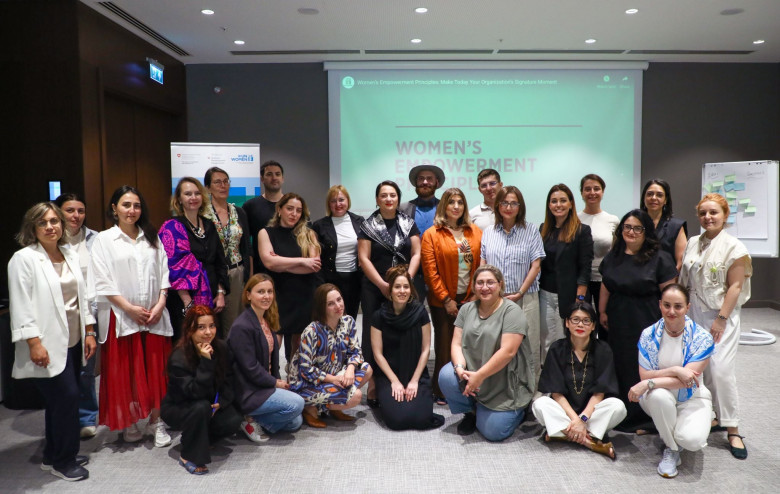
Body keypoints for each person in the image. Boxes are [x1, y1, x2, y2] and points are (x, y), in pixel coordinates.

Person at [8, 203, 97, 481]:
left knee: (61, 401)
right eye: (43, 222)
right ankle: (64, 461)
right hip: (45, 343)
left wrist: (90, 331)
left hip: (73, 339)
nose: (50, 227)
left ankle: (52, 454)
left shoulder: (68, 253)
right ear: (32, 227)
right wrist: (34, 342)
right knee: (67, 398)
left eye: (54, 221)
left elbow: (83, 297)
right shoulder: (23, 259)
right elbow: (21, 304)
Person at [90, 185, 174, 447]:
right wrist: (128, 308)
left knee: (157, 370)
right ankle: (130, 421)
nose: (132, 210)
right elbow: (102, 280)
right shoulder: (104, 240)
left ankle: (156, 422)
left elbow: (164, 272)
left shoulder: (152, 237)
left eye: (136, 205)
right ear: (114, 208)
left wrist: (161, 302)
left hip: (154, 314)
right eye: (126, 205)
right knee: (126, 371)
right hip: (121, 316)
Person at [680, 193, 751, 459]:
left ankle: (733, 428)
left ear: (725, 215)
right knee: (703, 369)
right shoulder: (693, 242)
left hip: (720, 315)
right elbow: (685, 277)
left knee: (721, 370)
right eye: (703, 213)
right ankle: (715, 416)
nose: (708, 217)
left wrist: (721, 319)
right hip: (694, 313)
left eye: (713, 213)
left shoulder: (734, 247)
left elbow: (736, 286)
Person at [599, 209, 677, 432]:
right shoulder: (613, 255)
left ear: (646, 232)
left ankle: (645, 418)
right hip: (617, 319)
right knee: (620, 363)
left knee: (643, 365)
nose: (631, 232)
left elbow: (670, 293)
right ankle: (622, 413)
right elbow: (606, 285)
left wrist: (670, 320)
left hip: (646, 319)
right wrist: (602, 311)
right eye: (627, 227)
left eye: (637, 228)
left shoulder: (660, 258)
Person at [438, 265, 534, 442]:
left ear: (500, 284)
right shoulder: (466, 309)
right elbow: (456, 344)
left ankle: (520, 411)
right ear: (474, 286)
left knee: (493, 432)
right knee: (447, 376)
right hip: (473, 374)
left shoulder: (512, 312)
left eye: (490, 282)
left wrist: (480, 376)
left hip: (503, 381)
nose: (485, 287)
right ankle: (471, 412)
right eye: (480, 283)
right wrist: (459, 369)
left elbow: (508, 352)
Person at [629, 284, 715, 478]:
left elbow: (688, 381)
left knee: (691, 441)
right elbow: (645, 375)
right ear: (660, 305)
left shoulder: (702, 338)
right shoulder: (648, 335)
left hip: (692, 397)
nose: (671, 311)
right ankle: (672, 449)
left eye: (678, 306)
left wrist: (650, 383)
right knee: (658, 396)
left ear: (687, 307)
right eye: (667, 305)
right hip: (659, 397)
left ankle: (682, 426)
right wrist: (676, 370)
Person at [533, 302, 625, 460]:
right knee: (540, 404)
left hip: (590, 415)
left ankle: (562, 434)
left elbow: (599, 393)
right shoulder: (557, 348)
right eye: (575, 319)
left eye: (586, 320)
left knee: (618, 406)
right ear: (567, 323)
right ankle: (590, 442)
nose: (580, 325)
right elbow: (556, 393)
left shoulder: (603, 349)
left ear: (593, 325)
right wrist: (575, 420)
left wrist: (582, 419)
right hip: (565, 413)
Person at [358, 180, 421, 404]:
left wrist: (406, 282)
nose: (388, 199)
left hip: (402, 288)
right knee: (372, 333)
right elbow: (364, 258)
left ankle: (400, 376)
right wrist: (383, 285)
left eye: (392, 195)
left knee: (401, 330)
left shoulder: (408, 223)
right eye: (383, 195)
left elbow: (416, 253)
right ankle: (373, 382)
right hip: (375, 288)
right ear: (377, 199)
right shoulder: (368, 225)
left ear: (398, 198)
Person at [160, 305, 243, 475]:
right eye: (201, 327)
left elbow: (229, 380)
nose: (208, 332)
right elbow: (195, 393)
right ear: (190, 329)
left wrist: (221, 402)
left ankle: (200, 439)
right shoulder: (179, 357)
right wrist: (206, 362)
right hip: (180, 407)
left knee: (233, 419)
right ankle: (188, 456)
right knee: (201, 407)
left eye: (212, 326)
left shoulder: (221, 347)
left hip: (209, 404)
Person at [421, 187, 482, 405]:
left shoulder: (474, 231)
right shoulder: (432, 234)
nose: (456, 206)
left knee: (471, 346)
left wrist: (475, 294)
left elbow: (481, 264)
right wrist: (446, 299)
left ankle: (470, 387)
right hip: (443, 301)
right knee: (445, 346)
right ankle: (441, 390)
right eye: (451, 202)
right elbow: (430, 271)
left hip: (471, 298)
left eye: (460, 202)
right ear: (443, 206)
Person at [227, 274, 304, 439]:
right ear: (248, 295)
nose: (266, 296)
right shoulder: (242, 326)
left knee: (295, 422)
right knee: (297, 404)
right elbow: (250, 368)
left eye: (270, 291)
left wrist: (276, 382)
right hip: (249, 390)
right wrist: (276, 383)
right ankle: (246, 419)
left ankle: (253, 419)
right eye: (260, 292)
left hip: (265, 385)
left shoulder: (266, 319)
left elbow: (271, 361)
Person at [481, 186, 545, 381]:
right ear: (498, 206)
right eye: (504, 203)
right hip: (495, 300)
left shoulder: (531, 230)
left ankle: (531, 389)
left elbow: (536, 265)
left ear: (520, 206)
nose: (508, 207)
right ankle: (497, 387)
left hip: (525, 298)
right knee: (495, 345)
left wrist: (520, 292)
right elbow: (483, 264)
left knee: (529, 345)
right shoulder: (489, 232)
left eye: (513, 203)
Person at [288, 284, 372, 428]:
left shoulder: (348, 322)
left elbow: (356, 351)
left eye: (339, 300)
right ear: (322, 308)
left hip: (334, 376)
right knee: (356, 396)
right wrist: (334, 379)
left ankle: (331, 406)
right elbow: (306, 370)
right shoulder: (312, 331)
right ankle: (310, 408)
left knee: (367, 369)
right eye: (331, 304)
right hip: (308, 384)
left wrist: (350, 369)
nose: (338, 306)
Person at [371, 266, 444, 430]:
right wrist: (394, 381)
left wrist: (414, 381)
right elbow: (377, 354)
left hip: (416, 373)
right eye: (397, 287)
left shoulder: (421, 313)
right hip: (389, 374)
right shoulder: (378, 316)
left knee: (422, 418)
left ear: (411, 290)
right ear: (390, 290)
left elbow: (426, 350)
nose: (402, 291)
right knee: (397, 420)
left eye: (406, 286)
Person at [159, 177, 228, 339]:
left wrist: (220, 292)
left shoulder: (209, 225)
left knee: (211, 341)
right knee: (188, 342)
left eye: (197, 193)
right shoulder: (172, 226)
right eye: (188, 194)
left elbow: (219, 261)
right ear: (179, 199)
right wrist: (188, 303)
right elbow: (174, 269)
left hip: (211, 296)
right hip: (184, 299)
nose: (193, 197)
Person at [54, 193, 99, 438]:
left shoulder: (95, 239)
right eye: (70, 210)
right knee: (62, 370)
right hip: (60, 313)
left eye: (80, 211)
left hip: (89, 312)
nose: (76, 216)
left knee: (86, 369)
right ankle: (64, 418)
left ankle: (86, 417)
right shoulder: (52, 240)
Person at [258, 192, 321, 360]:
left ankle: (294, 374)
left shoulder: (309, 234)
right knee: (273, 343)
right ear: (279, 209)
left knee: (300, 345)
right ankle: (272, 374)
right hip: (278, 293)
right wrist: (302, 261)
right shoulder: (266, 233)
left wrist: (281, 264)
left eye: (298, 210)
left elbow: (313, 266)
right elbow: (269, 263)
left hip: (304, 294)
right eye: (290, 209)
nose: (294, 214)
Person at [538, 184, 593, 360]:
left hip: (570, 295)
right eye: (554, 201)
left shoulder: (582, 231)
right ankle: (550, 373)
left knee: (567, 339)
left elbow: (585, 267)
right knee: (546, 339)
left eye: (563, 200)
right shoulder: (543, 229)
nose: (558, 205)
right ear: (549, 205)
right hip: (545, 294)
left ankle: (569, 374)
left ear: (571, 204)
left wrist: (580, 298)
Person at [203, 167, 252, 333]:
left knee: (237, 323)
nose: (223, 186)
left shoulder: (239, 212)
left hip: (237, 272)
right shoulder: (203, 214)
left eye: (226, 181)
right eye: (217, 182)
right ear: (208, 188)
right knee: (214, 323)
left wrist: (249, 279)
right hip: (213, 274)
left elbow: (247, 247)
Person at [311, 185, 365, 318]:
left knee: (350, 318)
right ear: (329, 204)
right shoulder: (319, 225)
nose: (338, 204)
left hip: (354, 280)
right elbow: (316, 257)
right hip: (330, 280)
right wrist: (321, 284)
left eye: (341, 200)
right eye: (333, 201)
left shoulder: (360, 221)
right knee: (331, 318)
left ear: (348, 201)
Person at [577, 174, 619, 341]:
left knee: (605, 327)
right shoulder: (574, 219)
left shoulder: (613, 220)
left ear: (603, 192)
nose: (592, 192)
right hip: (581, 282)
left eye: (596, 189)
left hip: (605, 282)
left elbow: (617, 253)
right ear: (581, 193)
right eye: (587, 189)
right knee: (582, 325)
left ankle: (604, 357)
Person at [399, 164, 445, 300]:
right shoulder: (402, 209)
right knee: (412, 309)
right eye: (421, 179)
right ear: (416, 183)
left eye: (429, 178)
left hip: (439, 271)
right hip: (411, 270)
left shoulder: (446, 208)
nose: (425, 182)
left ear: (437, 183)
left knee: (440, 310)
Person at [243, 160, 285, 272]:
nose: (274, 178)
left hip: (289, 268)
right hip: (261, 269)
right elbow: (245, 243)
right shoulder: (250, 206)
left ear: (283, 178)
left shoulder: (293, 206)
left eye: (277, 174)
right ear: (262, 179)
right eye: (269, 174)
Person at [641, 179, 687, 272]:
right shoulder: (634, 224)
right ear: (644, 198)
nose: (654, 198)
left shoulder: (676, 226)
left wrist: (671, 279)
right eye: (649, 194)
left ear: (665, 200)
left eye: (659, 195)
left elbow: (681, 261)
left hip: (666, 278)